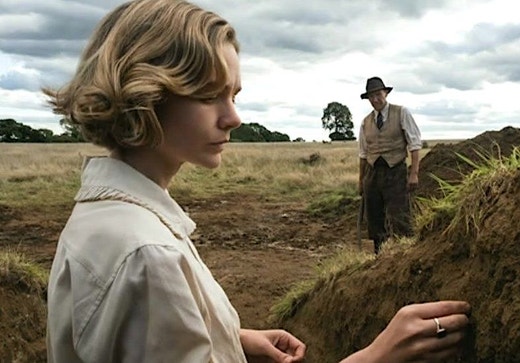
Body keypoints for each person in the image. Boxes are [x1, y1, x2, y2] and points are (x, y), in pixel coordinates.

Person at [44, 1, 471, 362]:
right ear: (146, 92)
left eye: (234, 95)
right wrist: (374, 357)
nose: (234, 117)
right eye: (209, 95)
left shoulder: (101, 217)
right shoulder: (146, 256)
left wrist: (230, 339)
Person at [358, 76, 423, 254]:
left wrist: (414, 173)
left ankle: (406, 253)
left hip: (395, 171)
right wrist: (361, 181)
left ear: (385, 93)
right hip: (372, 174)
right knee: (375, 218)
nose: (375, 100)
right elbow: (363, 154)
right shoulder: (366, 122)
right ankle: (380, 255)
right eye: (371, 97)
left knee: (400, 215)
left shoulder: (401, 113)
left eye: (378, 94)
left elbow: (415, 144)